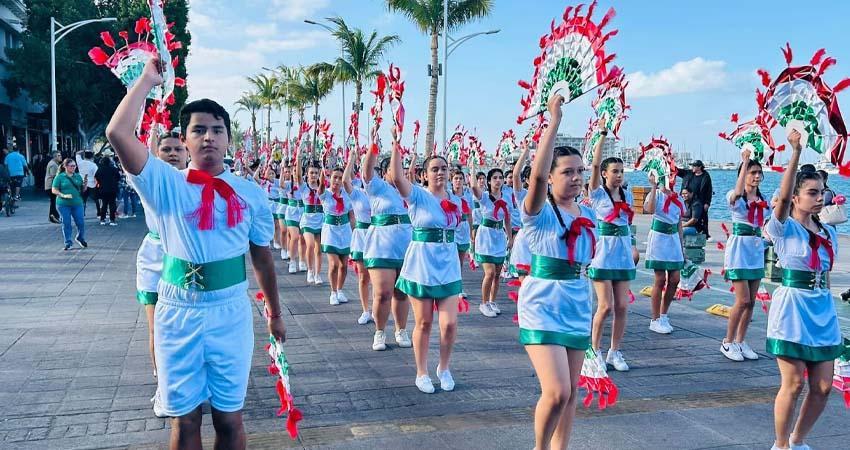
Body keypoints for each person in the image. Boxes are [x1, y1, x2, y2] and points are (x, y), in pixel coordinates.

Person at [106, 58, 285, 450]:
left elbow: (262, 259)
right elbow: (118, 133)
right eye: (198, 130)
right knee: (185, 422)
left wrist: (274, 314)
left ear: (228, 141)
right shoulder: (164, 183)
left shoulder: (250, 194)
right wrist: (147, 81)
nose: (208, 137)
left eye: (217, 130)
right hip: (178, 313)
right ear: (184, 141)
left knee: (229, 420)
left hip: (230, 313)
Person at [519, 93, 595, 450]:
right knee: (556, 390)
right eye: (567, 172)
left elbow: (586, 261)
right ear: (550, 177)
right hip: (543, 302)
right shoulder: (539, 211)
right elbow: (533, 178)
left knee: (571, 393)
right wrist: (554, 122)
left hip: (577, 302)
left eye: (580, 171)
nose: (576, 177)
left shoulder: (587, 213)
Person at [766, 130, 842, 450]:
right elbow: (781, 200)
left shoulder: (829, 230)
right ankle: (781, 445)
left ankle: (798, 440)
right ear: (796, 198)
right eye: (811, 192)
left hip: (822, 306)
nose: (819, 197)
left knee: (823, 386)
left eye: (821, 192)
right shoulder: (782, 227)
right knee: (794, 383)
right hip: (793, 307)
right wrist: (795, 152)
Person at [389, 127, 463, 394]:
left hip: (448, 264)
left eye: (444, 168)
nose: (440, 172)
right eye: (434, 169)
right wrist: (397, 143)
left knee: (450, 323)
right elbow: (397, 178)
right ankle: (421, 372)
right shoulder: (418, 195)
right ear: (424, 174)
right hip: (422, 264)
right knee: (424, 322)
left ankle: (443, 367)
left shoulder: (456, 199)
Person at [135, 130, 189, 416]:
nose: (171, 153)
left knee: (184, 327)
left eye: (177, 149)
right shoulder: (149, 180)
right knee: (158, 327)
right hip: (155, 258)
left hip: (185, 259)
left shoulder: (198, 181)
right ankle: (164, 388)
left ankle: (189, 384)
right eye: (165, 148)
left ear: (188, 152)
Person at [587, 120, 636, 372]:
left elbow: (627, 226)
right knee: (604, 306)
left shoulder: (626, 195)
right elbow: (594, 164)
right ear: (605, 174)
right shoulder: (597, 194)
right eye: (614, 171)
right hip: (603, 255)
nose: (618, 175)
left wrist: (634, 246)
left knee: (622, 306)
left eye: (621, 171)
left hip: (623, 254)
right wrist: (602, 136)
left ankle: (614, 351)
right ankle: (593, 351)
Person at [362, 144, 413, 351]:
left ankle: (401, 329)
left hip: (405, 247)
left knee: (401, 293)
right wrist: (374, 147)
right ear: (385, 172)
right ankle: (380, 332)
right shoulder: (377, 187)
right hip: (380, 247)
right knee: (383, 293)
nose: (400, 171)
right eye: (395, 168)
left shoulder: (410, 191)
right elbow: (366, 171)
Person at [721, 149, 769, 362]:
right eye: (752, 172)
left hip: (756, 248)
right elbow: (737, 194)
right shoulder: (735, 195)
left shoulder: (763, 198)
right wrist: (745, 162)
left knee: (751, 302)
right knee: (742, 300)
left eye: (759, 172)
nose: (757, 176)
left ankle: (741, 340)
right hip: (739, 249)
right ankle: (727, 341)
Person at [642, 172, 685, 334]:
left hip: (673, 240)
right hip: (659, 239)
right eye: (669, 176)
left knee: (675, 279)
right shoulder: (658, 195)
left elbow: (679, 223)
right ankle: (655, 319)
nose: (672, 179)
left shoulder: (678, 198)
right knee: (660, 279)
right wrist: (654, 186)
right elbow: (649, 209)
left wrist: (682, 247)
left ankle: (664, 313)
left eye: (673, 177)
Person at [471, 167, 513, 317]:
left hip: (499, 237)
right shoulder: (485, 197)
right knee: (489, 273)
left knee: (497, 274)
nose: (498, 180)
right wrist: (472, 169)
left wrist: (510, 237)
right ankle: (484, 303)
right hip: (485, 236)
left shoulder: (506, 198)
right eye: (494, 178)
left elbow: (507, 219)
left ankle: (492, 301)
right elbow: (473, 187)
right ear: (489, 181)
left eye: (500, 177)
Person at [342, 148, 373, 325]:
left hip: (377, 235)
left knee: (378, 277)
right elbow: (345, 181)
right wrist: (352, 158)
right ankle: (365, 310)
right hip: (361, 236)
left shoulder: (380, 191)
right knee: (363, 276)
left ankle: (377, 309)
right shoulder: (357, 193)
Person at [318, 167, 354, 305]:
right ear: (330, 178)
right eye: (335, 177)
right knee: (334, 264)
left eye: (340, 178)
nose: (337, 181)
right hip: (330, 231)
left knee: (344, 265)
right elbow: (320, 186)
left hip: (345, 231)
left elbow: (351, 216)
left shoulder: (347, 195)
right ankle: (333, 292)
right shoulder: (325, 194)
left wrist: (354, 231)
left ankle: (340, 290)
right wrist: (323, 171)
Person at [52, 158, 88, 250]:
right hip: (63, 204)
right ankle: (68, 242)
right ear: (65, 166)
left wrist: (85, 185)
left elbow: (82, 190)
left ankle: (80, 237)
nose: (73, 167)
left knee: (80, 222)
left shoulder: (78, 176)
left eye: (74, 166)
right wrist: (63, 195)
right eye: (71, 166)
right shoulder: (60, 177)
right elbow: (54, 190)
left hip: (77, 202)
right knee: (66, 223)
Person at [676, 160, 713, 240]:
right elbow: (677, 171)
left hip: (700, 199)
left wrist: (707, 202)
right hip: (688, 198)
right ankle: (685, 226)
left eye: (694, 166)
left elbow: (709, 190)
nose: (692, 167)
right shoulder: (688, 173)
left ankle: (705, 233)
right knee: (687, 213)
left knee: (703, 215)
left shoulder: (705, 176)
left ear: (699, 167)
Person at [95, 153, 121, 226]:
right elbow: (118, 177)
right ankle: (112, 220)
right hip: (113, 189)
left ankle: (102, 219)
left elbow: (97, 177)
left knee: (104, 204)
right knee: (112, 204)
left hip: (103, 189)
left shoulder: (100, 169)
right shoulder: (114, 169)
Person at [45, 152, 62, 223]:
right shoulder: (53, 165)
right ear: (54, 157)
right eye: (58, 156)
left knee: (53, 202)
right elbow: (54, 176)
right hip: (51, 186)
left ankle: (53, 216)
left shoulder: (54, 164)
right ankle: (53, 216)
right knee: (53, 202)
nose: (60, 157)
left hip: (50, 185)